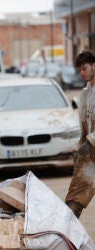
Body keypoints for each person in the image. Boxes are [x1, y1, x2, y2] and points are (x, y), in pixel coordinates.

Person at [65, 50, 95, 218]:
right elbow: (85, 126)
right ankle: (66, 235)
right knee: (75, 198)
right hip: (90, 155)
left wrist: (89, 142)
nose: (82, 73)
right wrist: (80, 148)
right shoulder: (85, 94)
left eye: (84, 68)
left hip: (91, 146)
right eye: (79, 70)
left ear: (94, 66)